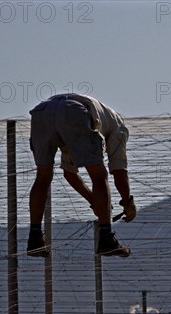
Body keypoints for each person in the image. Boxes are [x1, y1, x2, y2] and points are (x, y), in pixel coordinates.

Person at [27, 93, 136, 257]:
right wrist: (127, 202)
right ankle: (106, 238)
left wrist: (94, 201)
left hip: (42, 112)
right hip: (75, 111)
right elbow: (119, 172)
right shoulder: (118, 128)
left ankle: (34, 239)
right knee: (99, 176)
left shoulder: (96, 120)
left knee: (43, 176)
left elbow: (70, 174)